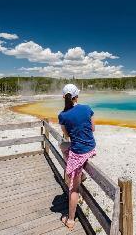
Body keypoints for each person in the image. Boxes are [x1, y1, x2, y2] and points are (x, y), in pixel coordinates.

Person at [58, 84, 96, 230]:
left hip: (79, 151)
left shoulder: (62, 115)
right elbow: (93, 128)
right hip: (91, 147)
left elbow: (67, 135)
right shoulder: (87, 108)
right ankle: (81, 174)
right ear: (77, 96)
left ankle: (71, 220)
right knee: (64, 147)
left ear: (64, 97)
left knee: (73, 188)